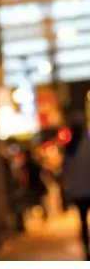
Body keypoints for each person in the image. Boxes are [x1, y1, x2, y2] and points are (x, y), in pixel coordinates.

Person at [62, 108, 90, 261]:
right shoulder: (87, 145)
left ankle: (86, 250)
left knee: (83, 221)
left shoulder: (68, 149)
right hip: (87, 188)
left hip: (78, 191)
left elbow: (65, 171)